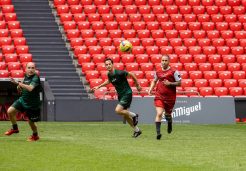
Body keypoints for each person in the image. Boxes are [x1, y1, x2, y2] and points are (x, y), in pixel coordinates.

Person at [91, 58, 142, 138]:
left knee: (118, 110)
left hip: (127, 93)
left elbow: (131, 74)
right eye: (106, 65)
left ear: (112, 64)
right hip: (121, 95)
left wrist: (137, 85)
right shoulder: (109, 74)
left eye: (109, 64)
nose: (108, 66)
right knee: (125, 116)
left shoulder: (119, 73)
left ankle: (135, 115)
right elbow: (109, 81)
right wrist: (99, 86)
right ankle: (137, 130)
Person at [4, 62, 42, 142]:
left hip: (32, 104)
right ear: (25, 69)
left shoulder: (35, 78)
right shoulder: (26, 76)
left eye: (32, 68)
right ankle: (15, 129)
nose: (31, 70)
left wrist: (18, 83)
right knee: (10, 111)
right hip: (23, 100)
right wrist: (18, 86)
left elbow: (30, 88)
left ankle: (35, 136)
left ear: (35, 69)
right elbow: (23, 83)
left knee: (31, 122)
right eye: (29, 68)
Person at [148, 55, 181, 140]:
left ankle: (169, 123)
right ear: (160, 61)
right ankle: (158, 134)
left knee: (167, 115)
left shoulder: (174, 71)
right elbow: (154, 81)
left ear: (169, 61)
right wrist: (150, 89)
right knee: (159, 113)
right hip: (159, 96)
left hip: (170, 97)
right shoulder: (157, 72)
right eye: (162, 60)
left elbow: (179, 83)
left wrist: (170, 83)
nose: (164, 62)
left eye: (166, 60)